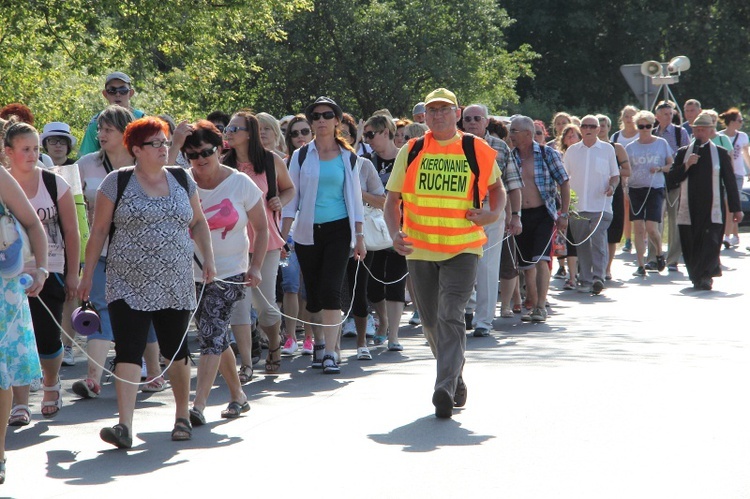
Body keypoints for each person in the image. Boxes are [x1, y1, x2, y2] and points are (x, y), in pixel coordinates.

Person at [78, 117, 215, 448]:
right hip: (126, 281)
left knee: (175, 349)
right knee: (128, 348)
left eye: (166, 142)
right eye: (156, 144)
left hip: (175, 281)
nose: (164, 148)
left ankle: (182, 415)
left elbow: (198, 223)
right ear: (136, 149)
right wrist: (86, 274)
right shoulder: (117, 181)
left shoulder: (183, 179)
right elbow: (98, 231)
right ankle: (124, 425)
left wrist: (209, 259)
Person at [384, 88, 505, 418]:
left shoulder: (474, 148)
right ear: (425, 116)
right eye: (432, 110)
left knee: (451, 313)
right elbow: (392, 200)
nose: (437, 115)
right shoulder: (411, 150)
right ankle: (455, 377)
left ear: (456, 112)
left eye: (444, 109)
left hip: (463, 247)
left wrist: (492, 215)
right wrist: (395, 233)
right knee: (431, 324)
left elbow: (498, 191)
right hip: (419, 249)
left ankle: (444, 387)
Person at [179, 120, 268, 424]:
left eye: (206, 152)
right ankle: (239, 396)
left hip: (229, 271)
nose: (201, 159)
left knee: (211, 335)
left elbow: (260, 227)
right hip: (189, 272)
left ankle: (198, 405)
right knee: (214, 335)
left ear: (219, 149)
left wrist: (256, 266)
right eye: (192, 155)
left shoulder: (241, 183)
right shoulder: (181, 182)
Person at [281, 96, 366, 375]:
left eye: (327, 115)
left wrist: (360, 236)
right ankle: (319, 342)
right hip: (307, 232)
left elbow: (354, 198)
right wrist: (283, 236)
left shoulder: (348, 157)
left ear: (337, 121)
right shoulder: (301, 155)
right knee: (314, 294)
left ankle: (332, 351)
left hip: (339, 230)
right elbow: (291, 198)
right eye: (315, 116)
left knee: (331, 290)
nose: (321, 120)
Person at [5, 122, 80, 422]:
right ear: (8, 152)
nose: (33, 154)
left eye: (36, 148)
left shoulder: (54, 184)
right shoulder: (3, 183)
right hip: (10, 274)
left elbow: (72, 233)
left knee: (47, 337)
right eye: (25, 149)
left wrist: (73, 273)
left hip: (51, 268)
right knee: (18, 337)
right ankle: (20, 403)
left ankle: (51, 384)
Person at [223, 111, 295, 375]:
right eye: (227, 129)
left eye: (234, 129)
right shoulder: (223, 164)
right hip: (231, 243)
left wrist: (280, 201)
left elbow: (289, 189)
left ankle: (274, 344)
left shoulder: (270, 160)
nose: (228, 133)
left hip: (267, 241)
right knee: (239, 307)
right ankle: (246, 364)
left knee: (265, 307)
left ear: (249, 133)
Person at [0, 165, 49, 484]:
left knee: (0, 372)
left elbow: (32, 223)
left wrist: (42, 269)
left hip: (3, 288)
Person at [460, 104, 521, 334]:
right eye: (468, 119)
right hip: (460, 212)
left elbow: (513, 184)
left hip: (490, 210)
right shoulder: (455, 145)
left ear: (486, 121)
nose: (472, 122)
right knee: (462, 263)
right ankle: (466, 309)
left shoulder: (499, 146)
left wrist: (515, 216)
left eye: (477, 118)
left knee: (487, 266)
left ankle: (484, 321)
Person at [667, 112, 743, 290]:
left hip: (712, 209)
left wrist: (736, 208)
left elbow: (730, 182)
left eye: (703, 130)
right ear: (692, 131)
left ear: (711, 131)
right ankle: (696, 275)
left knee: (711, 242)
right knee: (691, 243)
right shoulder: (683, 153)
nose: (700, 133)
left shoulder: (720, 153)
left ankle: (706, 275)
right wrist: (686, 165)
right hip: (689, 209)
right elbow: (671, 179)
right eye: (697, 130)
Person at [510, 115, 570, 322]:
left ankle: (541, 305)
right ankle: (533, 305)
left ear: (528, 134)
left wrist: (564, 214)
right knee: (526, 264)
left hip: (544, 213)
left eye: (514, 132)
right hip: (519, 215)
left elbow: (564, 182)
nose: (510, 136)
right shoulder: (511, 156)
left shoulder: (547, 154)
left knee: (541, 260)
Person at [563, 115, 619, 294]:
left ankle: (599, 278)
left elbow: (615, 175)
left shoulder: (607, 150)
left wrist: (612, 186)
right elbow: (564, 177)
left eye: (592, 126)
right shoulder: (572, 151)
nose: (588, 129)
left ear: (598, 129)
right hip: (578, 206)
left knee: (598, 240)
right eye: (585, 126)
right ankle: (586, 279)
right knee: (582, 244)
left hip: (601, 206)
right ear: (580, 128)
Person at [625, 110, 672, 277]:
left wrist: (659, 168)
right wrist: (625, 185)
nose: (645, 129)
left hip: (655, 188)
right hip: (635, 189)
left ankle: (659, 252)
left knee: (651, 228)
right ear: (637, 127)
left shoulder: (661, 143)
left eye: (648, 126)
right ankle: (640, 264)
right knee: (638, 228)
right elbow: (626, 169)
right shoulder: (630, 147)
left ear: (653, 126)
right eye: (641, 126)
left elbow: (670, 165)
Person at [653, 101, 689, 272]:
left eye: (670, 113)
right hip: (656, 181)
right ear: (657, 116)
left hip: (674, 180)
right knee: (655, 219)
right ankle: (654, 256)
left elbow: (687, 154)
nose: (668, 116)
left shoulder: (679, 132)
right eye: (665, 114)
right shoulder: (652, 132)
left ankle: (673, 258)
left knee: (674, 220)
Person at [78, 72, 146, 157]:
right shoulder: (96, 123)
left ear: (131, 93)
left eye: (123, 90)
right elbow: (85, 157)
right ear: (105, 94)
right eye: (112, 90)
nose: (118, 94)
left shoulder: (142, 120)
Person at [597, 114, 631, 280]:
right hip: (594, 192)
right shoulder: (588, 147)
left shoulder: (616, 148)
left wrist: (612, 170)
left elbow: (627, 171)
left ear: (609, 128)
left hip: (614, 191)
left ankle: (607, 268)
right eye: (598, 124)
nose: (601, 128)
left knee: (612, 232)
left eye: (604, 125)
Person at [718, 108, 750, 248]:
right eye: (739, 120)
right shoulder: (719, 137)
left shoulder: (742, 136)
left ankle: (727, 236)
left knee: (730, 203)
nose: (741, 123)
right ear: (731, 122)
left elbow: (745, 154)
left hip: (737, 174)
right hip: (723, 174)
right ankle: (735, 235)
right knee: (729, 205)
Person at [611, 105, 640, 254]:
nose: (629, 119)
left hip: (638, 174)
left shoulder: (641, 133)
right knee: (625, 207)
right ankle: (627, 239)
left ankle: (641, 238)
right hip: (622, 177)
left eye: (632, 116)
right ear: (621, 118)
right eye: (626, 116)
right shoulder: (616, 137)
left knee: (638, 208)